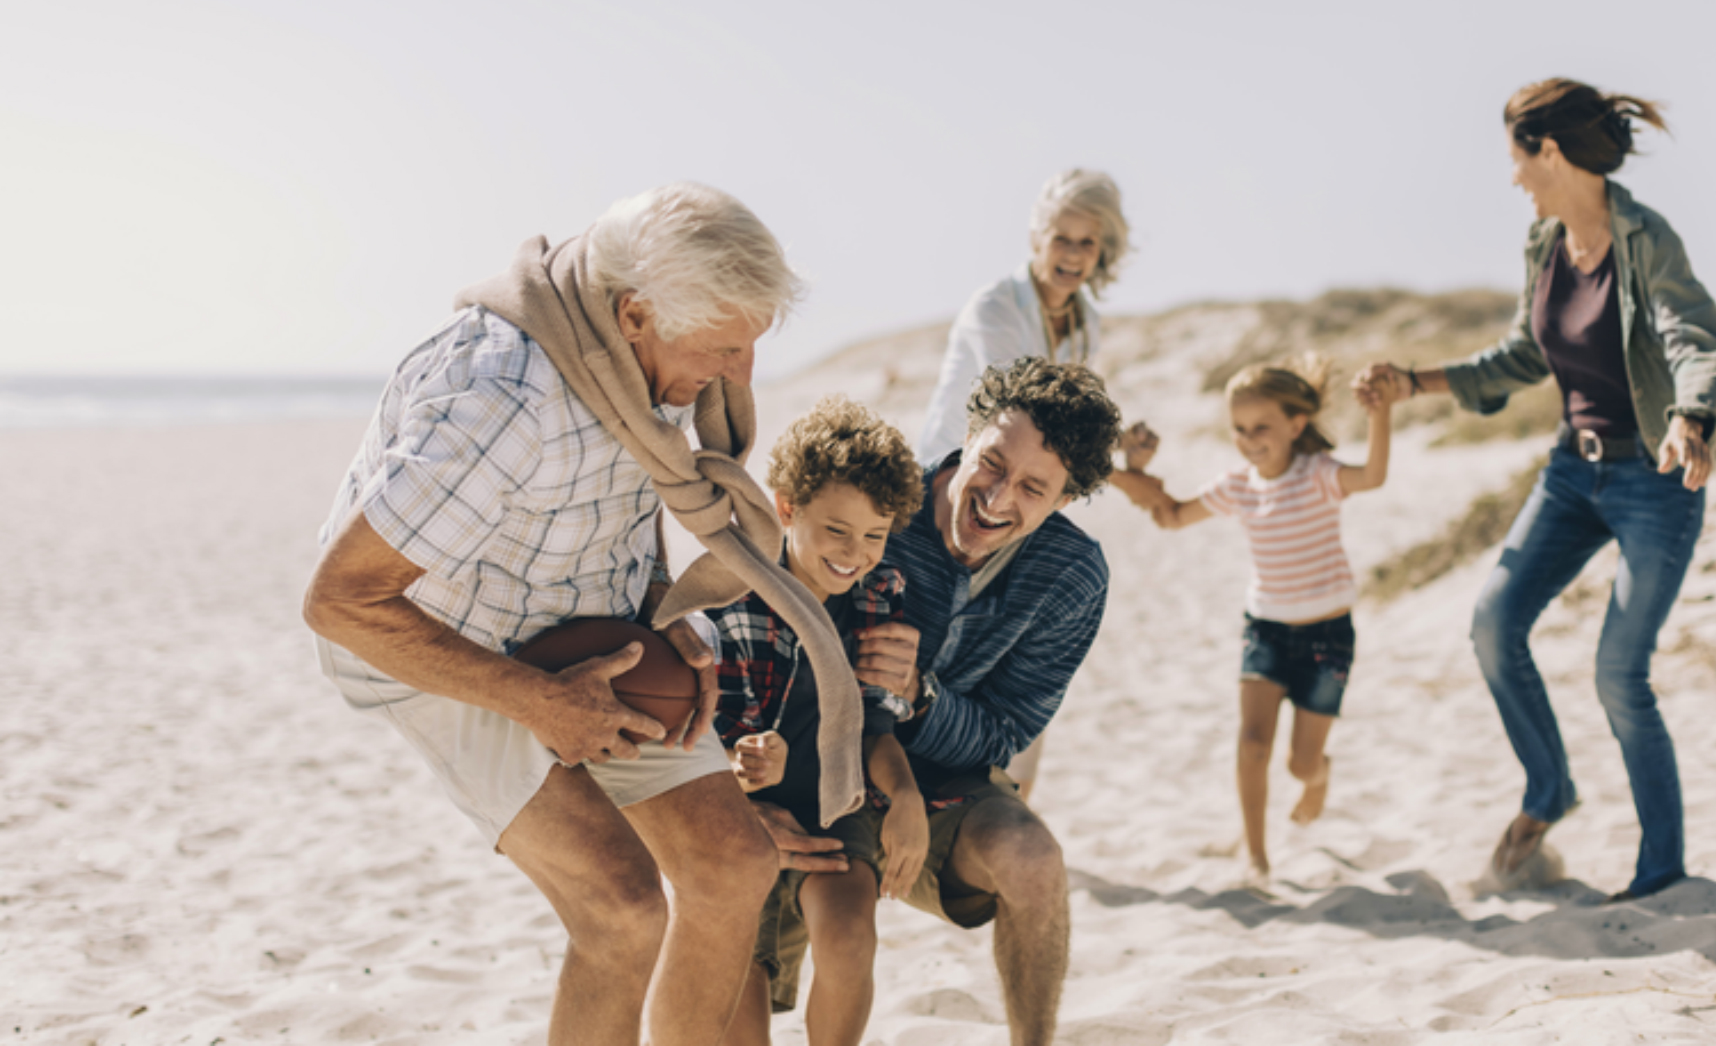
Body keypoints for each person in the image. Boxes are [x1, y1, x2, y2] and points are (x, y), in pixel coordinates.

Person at [304, 182, 856, 1046]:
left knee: (734, 864)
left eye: (751, 345)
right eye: (722, 348)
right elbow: (340, 600)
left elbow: (621, 517)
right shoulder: (503, 400)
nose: (738, 375)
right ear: (634, 313)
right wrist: (536, 699)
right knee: (623, 911)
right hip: (435, 639)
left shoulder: (645, 353)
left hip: (572, 623)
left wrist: (667, 622)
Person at [1358, 79, 1716, 901]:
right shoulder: (1544, 244)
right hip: (1571, 474)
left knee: (1619, 670)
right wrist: (1414, 382)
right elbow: (1521, 355)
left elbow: (1697, 340)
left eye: (1517, 158)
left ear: (1549, 152)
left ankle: (1660, 871)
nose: (1511, 178)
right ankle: (1548, 790)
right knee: (1494, 622)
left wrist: (1692, 419)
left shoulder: (1646, 239)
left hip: (1654, 479)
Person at [851, 356, 1122, 1046]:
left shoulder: (1072, 575)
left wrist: (918, 698)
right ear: (967, 436)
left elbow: (1004, 736)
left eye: (1033, 487)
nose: (998, 497)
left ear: (1063, 501)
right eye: (993, 463)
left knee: (1032, 860)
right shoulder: (874, 503)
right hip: (808, 761)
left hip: (942, 784)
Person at [1121, 357, 1394, 884]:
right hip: (1265, 629)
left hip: (1327, 638)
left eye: (1261, 428)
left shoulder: (1319, 475)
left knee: (1300, 765)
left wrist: (1380, 416)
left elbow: (1374, 476)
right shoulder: (1237, 485)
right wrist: (1129, 474)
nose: (1249, 440)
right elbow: (1172, 515)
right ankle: (1257, 856)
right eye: (1239, 430)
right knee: (1251, 744)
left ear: (1296, 425)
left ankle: (1320, 777)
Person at [711, 396, 929, 1046]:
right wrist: (744, 767)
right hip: (731, 825)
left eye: (874, 535)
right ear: (786, 509)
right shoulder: (736, 597)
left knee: (850, 940)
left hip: (834, 809)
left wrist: (907, 794)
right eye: (836, 530)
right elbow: (706, 743)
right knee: (736, 990)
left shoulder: (877, 591)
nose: (855, 553)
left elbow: (874, 724)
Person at [916, 168, 1133, 801]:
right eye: (1060, 238)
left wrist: (1124, 452)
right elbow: (1023, 418)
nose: (1071, 254)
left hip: (1023, 495)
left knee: (1025, 644)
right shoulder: (996, 308)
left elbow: (1069, 431)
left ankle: (1008, 799)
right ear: (1036, 237)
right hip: (959, 490)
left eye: (1087, 243)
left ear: (1103, 252)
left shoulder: (1084, 321)